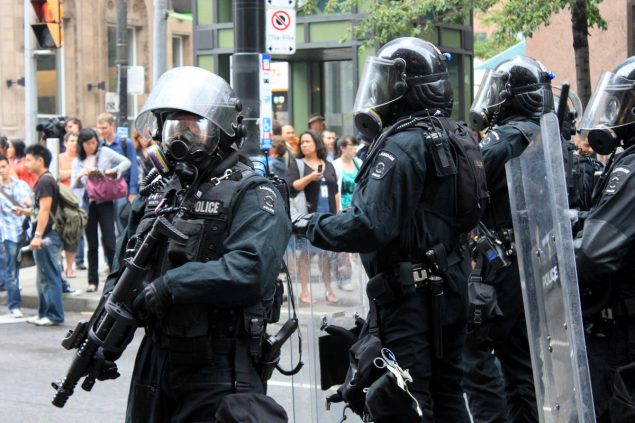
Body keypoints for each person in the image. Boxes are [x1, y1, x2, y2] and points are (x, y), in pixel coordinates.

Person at [293, 37, 472, 421]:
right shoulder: (454, 135)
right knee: (447, 393)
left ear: (407, 89)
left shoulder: (402, 146)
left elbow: (367, 225)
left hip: (411, 299)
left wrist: (309, 224)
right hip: (452, 286)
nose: (378, 90)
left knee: (404, 399)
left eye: (387, 81)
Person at [103, 66, 290, 421]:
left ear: (220, 134)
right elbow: (124, 265)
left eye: (194, 128)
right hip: (156, 360)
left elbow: (250, 271)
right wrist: (106, 334)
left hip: (218, 367)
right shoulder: (161, 192)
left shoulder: (254, 192)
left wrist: (171, 285)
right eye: (176, 128)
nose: (182, 139)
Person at [464, 56, 554, 423]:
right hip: (527, 260)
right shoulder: (545, 133)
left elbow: (467, 179)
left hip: (500, 264)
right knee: (519, 360)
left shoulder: (509, 136)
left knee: (472, 353)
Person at [575, 56, 635, 422]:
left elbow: (594, 252)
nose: (615, 113)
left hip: (621, 339)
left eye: (622, 103)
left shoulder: (630, 169)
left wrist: (558, 260)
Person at [71, 128, 131, 293]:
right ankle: (93, 281)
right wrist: (80, 177)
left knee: (110, 242)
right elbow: (73, 187)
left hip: (105, 202)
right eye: (87, 143)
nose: (91, 146)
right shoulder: (77, 161)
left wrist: (113, 171)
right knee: (92, 244)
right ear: (81, 144)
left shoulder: (104, 151)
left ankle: (115, 280)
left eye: (93, 142)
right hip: (87, 205)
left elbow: (126, 162)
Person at [288, 130, 340, 305]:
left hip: (329, 217)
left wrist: (338, 214)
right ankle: (304, 291)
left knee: (327, 257)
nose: (304, 145)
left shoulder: (328, 164)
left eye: (307, 142)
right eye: (302, 142)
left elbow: (335, 191)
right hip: (309, 217)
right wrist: (310, 177)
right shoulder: (298, 164)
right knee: (306, 255)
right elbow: (291, 187)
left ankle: (328, 289)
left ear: (317, 144)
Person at [20, 145, 66, 326]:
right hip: (45, 235)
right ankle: (43, 313)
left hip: (48, 236)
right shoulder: (43, 180)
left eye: (29, 159)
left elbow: (45, 210)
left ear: (40, 160)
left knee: (50, 276)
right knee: (42, 278)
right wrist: (24, 211)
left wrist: (37, 235)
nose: (26, 163)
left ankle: (54, 315)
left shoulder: (46, 181)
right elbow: (39, 210)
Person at [0, 154, 32, 318]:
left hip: (25, 232)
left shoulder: (21, 185)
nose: (2, 171)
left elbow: (33, 203)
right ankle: (14, 305)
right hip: (8, 234)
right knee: (11, 272)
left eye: (4, 166)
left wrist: (28, 204)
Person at [96, 112, 139, 232]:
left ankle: (123, 249)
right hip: (104, 191)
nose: (101, 131)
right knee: (107, 226)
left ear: (112, 126)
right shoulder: (99, 145)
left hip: (122, 189)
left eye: (104, 128)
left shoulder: (125, 143)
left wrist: (132, 191)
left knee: (122, 223)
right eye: (99, 128)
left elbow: (133, 167)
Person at [58, 131, 81, 278]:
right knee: (59, 232)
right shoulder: (59, 157)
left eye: (76, 141)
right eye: (71, 140)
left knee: (73, 233)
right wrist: (74, 171)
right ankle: (60, 265)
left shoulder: (80, 158)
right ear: (65, 142)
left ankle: (70, 267)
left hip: (76, 198)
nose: (74, 143)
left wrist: (68, 173)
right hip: (61, 198)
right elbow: (57, 174)